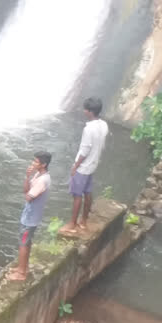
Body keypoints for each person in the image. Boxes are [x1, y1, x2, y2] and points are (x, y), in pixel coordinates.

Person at [61, 97, 109, 233]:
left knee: (77, 195)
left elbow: (85, 150)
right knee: (88, 193)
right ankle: (84, 221)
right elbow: (102, 145)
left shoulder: (88, 129)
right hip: (93, 165)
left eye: (85, 109)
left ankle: (72, 224)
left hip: (83, 167)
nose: (84, 111)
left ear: (90, 112)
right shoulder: (104, 125)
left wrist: (76, 166)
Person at [9, 151, 52, 282]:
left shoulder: (43, 180)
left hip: (30, 218)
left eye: (36, 162)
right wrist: (27, 177)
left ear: (43, 164)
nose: (33, 163)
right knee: (26, 242)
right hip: (29, 215)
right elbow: (25, 190)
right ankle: (23, 267)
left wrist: (28, 191)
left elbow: (28, 197)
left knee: (23, 242)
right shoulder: (39, 175)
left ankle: (21, 274)